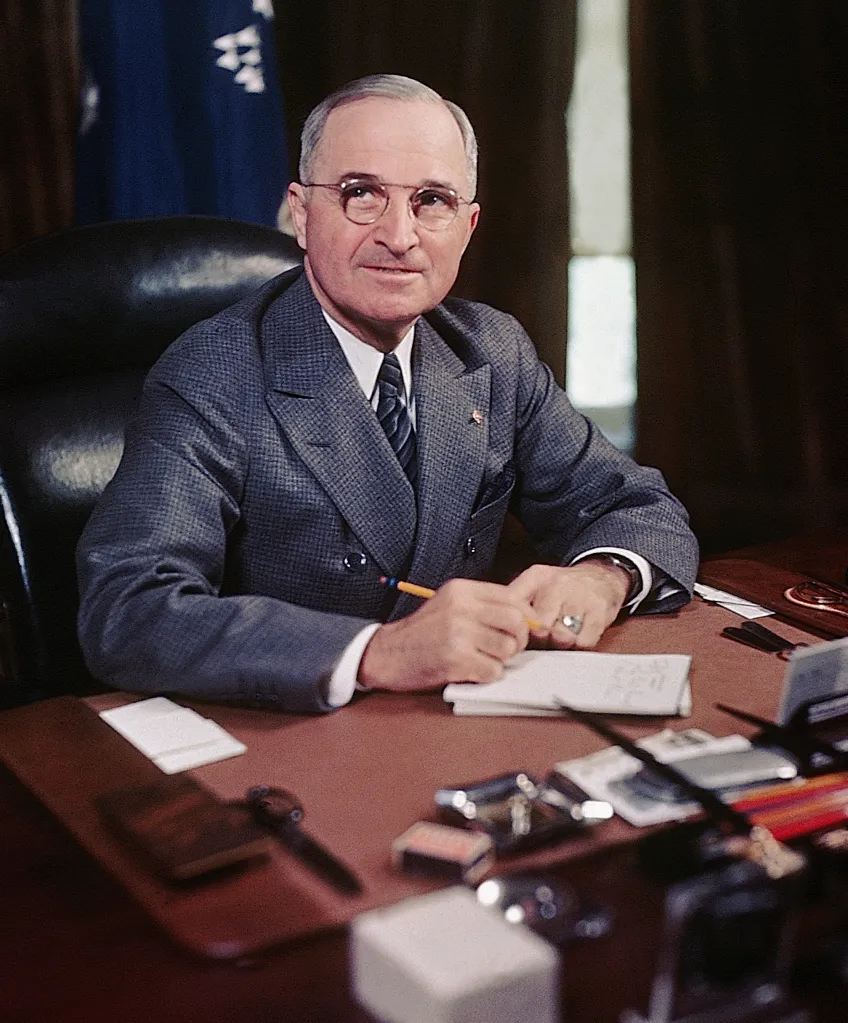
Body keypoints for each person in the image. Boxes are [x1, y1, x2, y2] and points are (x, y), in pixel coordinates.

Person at [76, 74, 699, 713]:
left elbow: (637, 505)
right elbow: (130, 610)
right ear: (300, 211)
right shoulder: (214, 372)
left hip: (449, 722)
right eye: (362, 194)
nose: (400, 237)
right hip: (286, 736)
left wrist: (602, 578)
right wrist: (381, 652)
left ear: (468, 224)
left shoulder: (490, 349)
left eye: (432, 200)